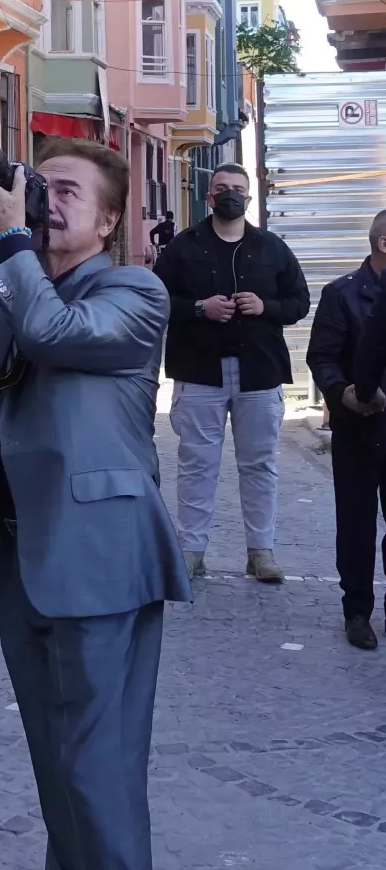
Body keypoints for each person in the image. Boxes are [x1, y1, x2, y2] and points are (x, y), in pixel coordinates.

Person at [0, 136, 192, 870]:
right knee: (55, 763)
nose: (47, 201)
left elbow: (54, 333)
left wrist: (13, 235)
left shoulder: (134, 293)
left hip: (102, 557)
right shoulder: (4, 295)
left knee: (95, 768)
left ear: (108, 223)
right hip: (24, 553)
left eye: (67, 192)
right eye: (38, 186)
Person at [154, 163, 310, 581]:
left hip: (259, 372)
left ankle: (261, 551)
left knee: (260, 465)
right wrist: (198, 308)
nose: (230, 195)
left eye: (237, 189)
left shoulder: (272, 248)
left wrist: (266, 307)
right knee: (196, 465)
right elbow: (156, 299)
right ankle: (191, 551)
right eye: (221, 188)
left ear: (248, 197)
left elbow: (300, 301)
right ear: (209, 196)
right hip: (199, 371)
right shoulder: (182, 247)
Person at [307, 210, 386, 651]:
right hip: (360, 426)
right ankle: (357, 611)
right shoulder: (342, 294)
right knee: (356, 524)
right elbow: (322, 356)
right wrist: (344, 394)